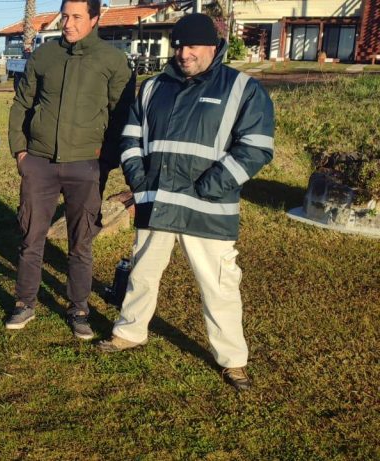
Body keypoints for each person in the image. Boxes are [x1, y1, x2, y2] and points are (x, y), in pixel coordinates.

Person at [95, 13, 275, 392]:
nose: (184, 53)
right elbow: (130, 138)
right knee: (142, 276)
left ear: (213, 46)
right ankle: (129, 333)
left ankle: (233, 361)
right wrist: (139, 181)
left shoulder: (242, 88)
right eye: (178, 45)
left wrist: (212, 186)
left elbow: (256, 147)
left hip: (207, 208)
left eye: (192, 45)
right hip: (157, 202)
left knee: (219, 286)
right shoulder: (152, 88)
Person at [5, 0, 134, 338]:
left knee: (81, 241)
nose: (68, 23)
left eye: (77, 17)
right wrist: (21, 152)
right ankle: (24, 302)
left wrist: (105, 161)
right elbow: (22, 103)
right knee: (31, 237)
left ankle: (78, 308)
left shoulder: (112, 60)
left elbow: (122, 115)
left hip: (86, 166)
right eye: (65, 16)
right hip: (40, 163)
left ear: (94, 18)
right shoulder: (44, 55)